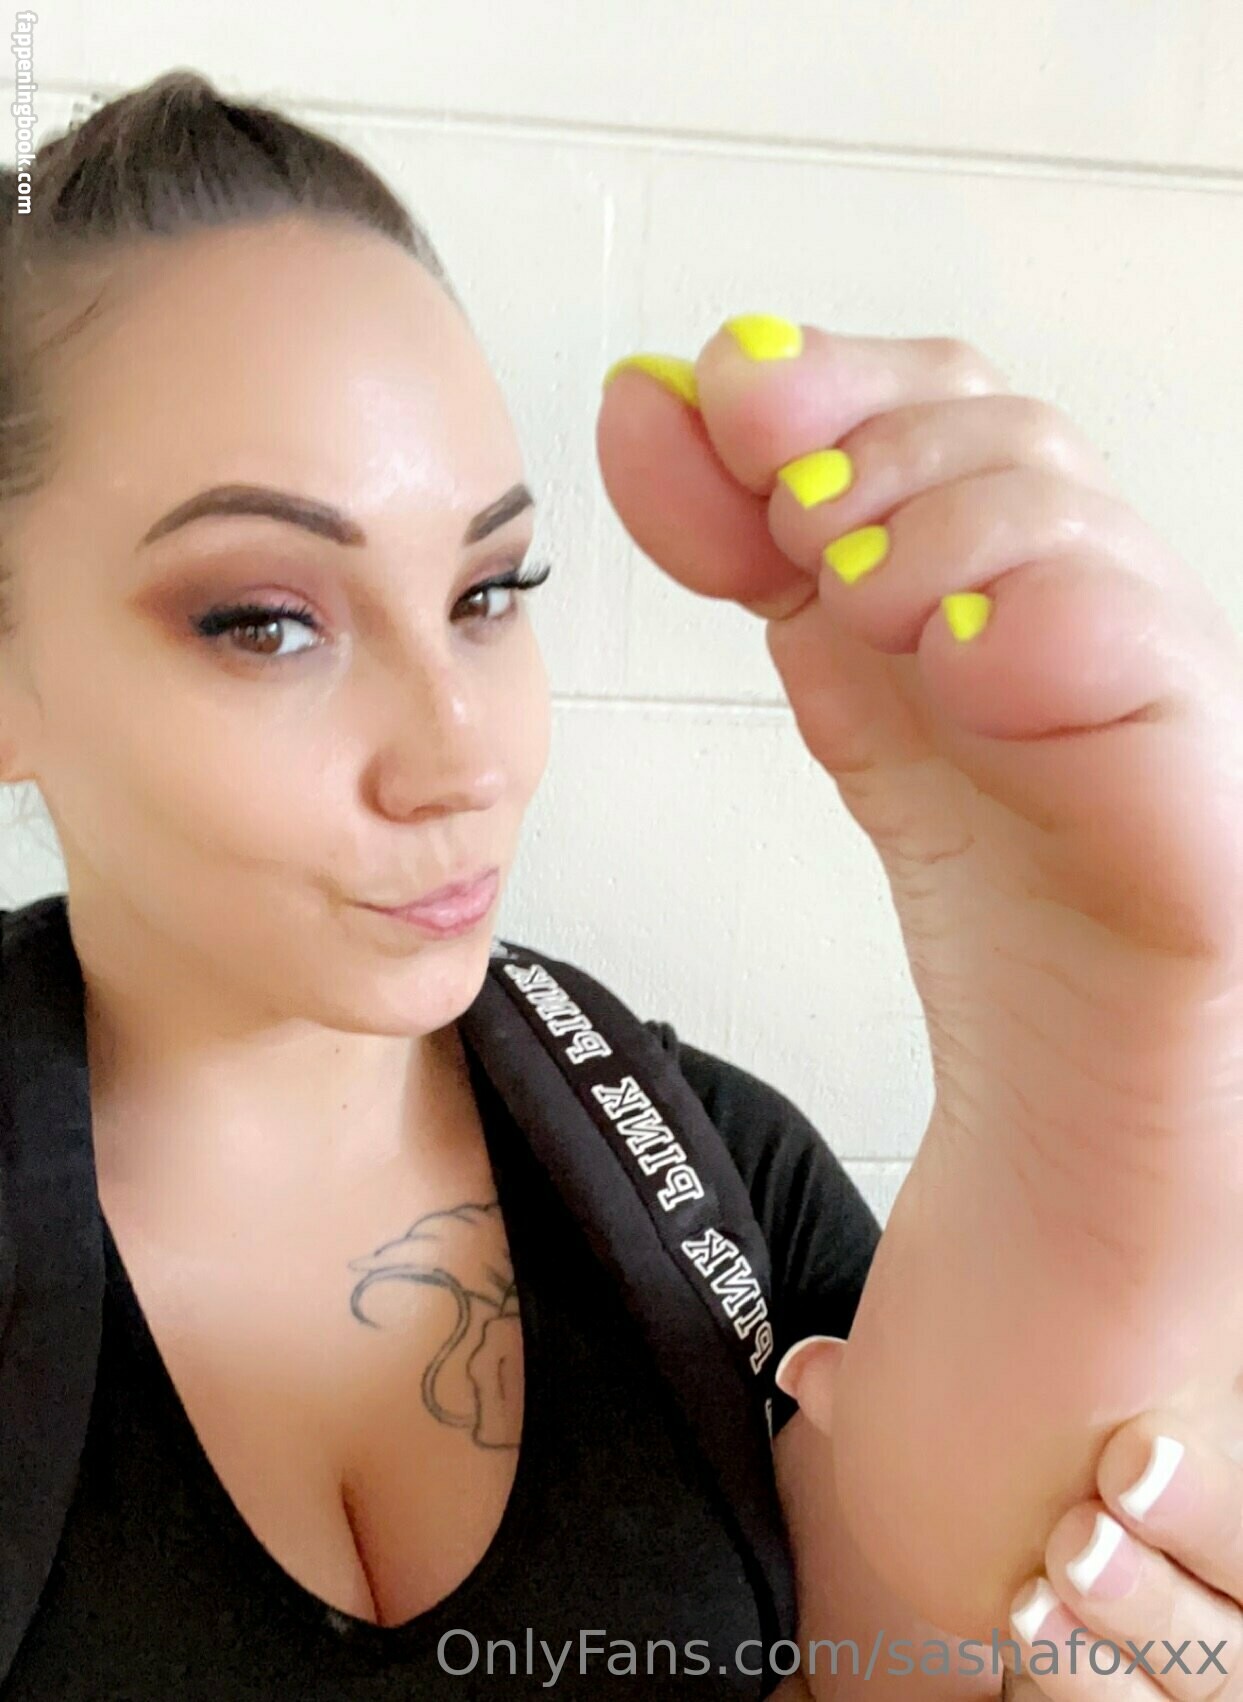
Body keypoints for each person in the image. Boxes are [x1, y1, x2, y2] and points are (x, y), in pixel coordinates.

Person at [0, 70, 1238, 1701]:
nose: (462, 754)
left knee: (939, 1587)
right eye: (267, 621)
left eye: (489, 590)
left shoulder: (711, 1162)